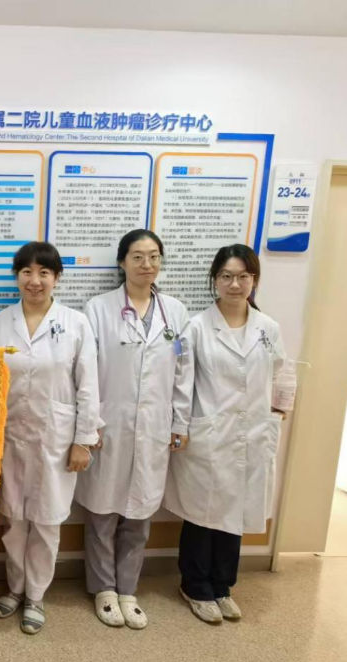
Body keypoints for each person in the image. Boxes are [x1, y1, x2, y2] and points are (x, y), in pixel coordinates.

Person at [74, 229, 191, 630]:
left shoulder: (175, 312)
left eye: (154, 256)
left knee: (140, 513)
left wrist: (179, 422)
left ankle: (128, 589)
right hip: (110, 423)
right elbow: (87, 372)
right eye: (138, 256)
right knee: (102, 512)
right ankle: (103, 589)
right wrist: (89, 424)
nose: (147, 264)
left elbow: (183, 373)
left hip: (155, 426)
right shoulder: (99, 308)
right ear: (122, 262)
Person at [164, 244, 286, 624]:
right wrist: (180, 426)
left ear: (254, 280)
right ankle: (195, 586)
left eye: (243, 276)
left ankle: (223, 586)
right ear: (215, 280)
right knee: (203, 513)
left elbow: (281, 373)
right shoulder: (197, 327)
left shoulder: (268, 328)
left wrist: (279, 412)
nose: (235, 284)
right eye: (227, 276)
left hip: (252, 434)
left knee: (236, 512)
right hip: (210, 435)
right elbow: (183, 383)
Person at [0, 242, 99, 635]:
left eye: (44, 273)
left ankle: (36, 595)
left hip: (57, 438)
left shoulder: (76, 323)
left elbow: (88, 385)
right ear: (16, 276)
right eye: (27, 272)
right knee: (14, 520)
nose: (34, 281)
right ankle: (15, 588)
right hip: (9, 437)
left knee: (47, 521)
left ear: (57, 278)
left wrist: (84, 440)